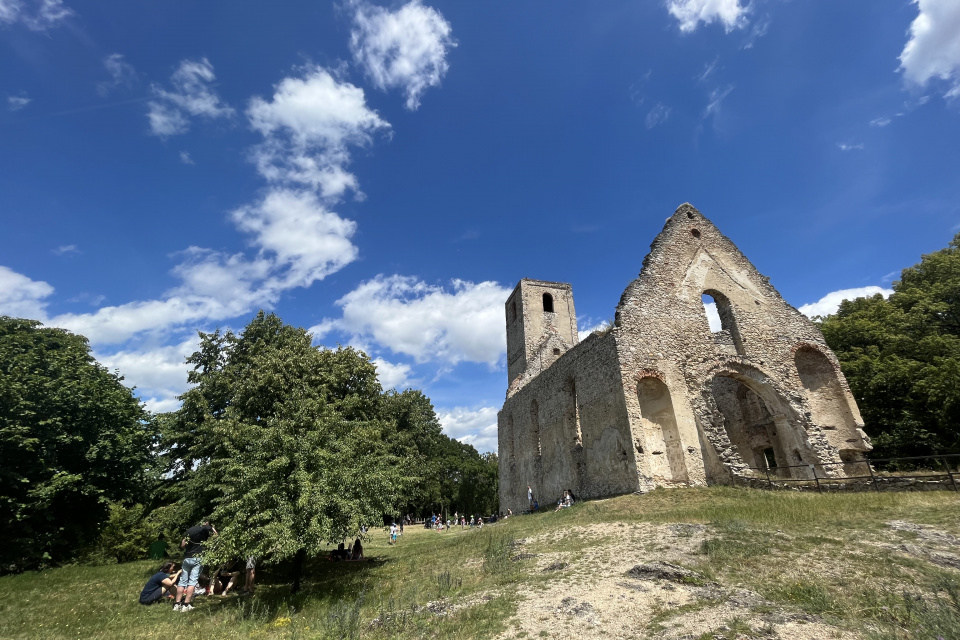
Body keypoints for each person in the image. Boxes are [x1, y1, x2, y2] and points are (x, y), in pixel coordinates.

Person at [174, 519, 217, 612]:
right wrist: (213, 531)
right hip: (198, 558)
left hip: (187, 558)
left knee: (182, 581)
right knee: (192, 581)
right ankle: (186, 604)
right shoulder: (205, 528)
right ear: (206, 523)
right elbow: (215, 534)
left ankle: (177, 604)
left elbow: (182, 545)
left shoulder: (190, 530)